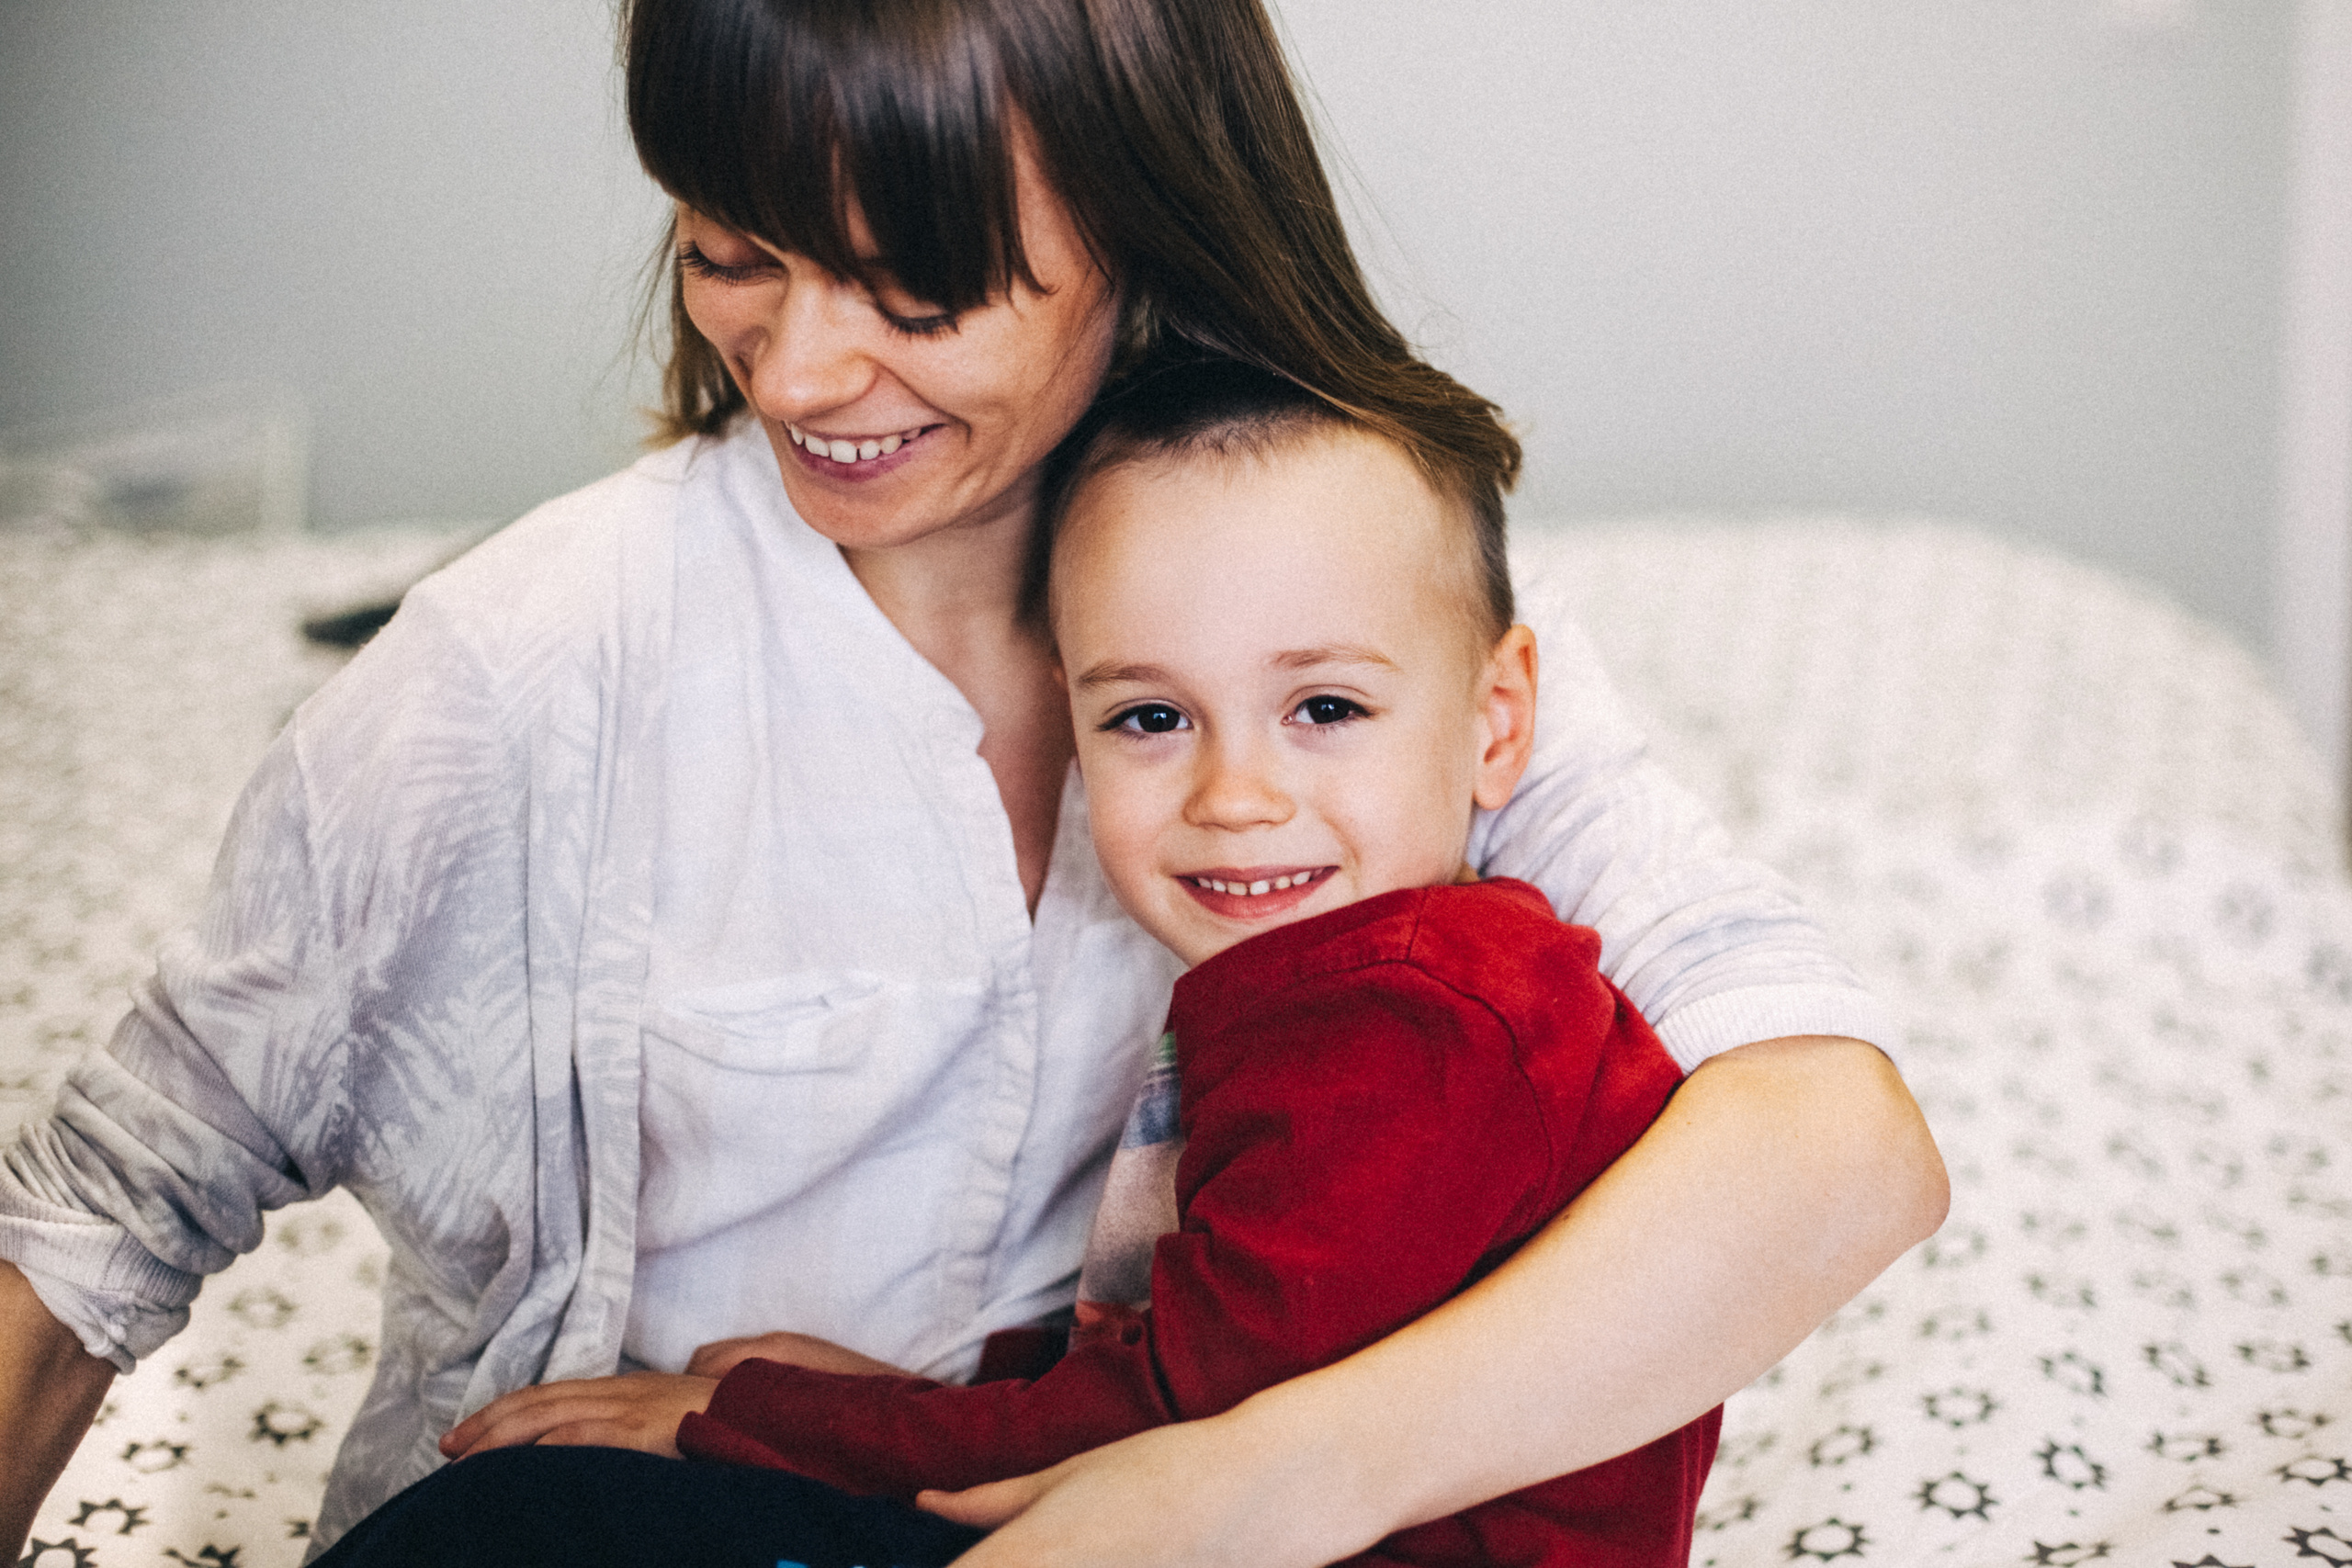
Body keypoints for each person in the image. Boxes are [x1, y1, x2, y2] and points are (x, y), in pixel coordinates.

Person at [0, 1, 1948, 1562]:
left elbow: (1830, 1142)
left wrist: (1251, 1482)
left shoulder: (1352, 645)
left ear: (1136, 211)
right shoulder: (519, 673)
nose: (801, 373)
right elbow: (97, 1220)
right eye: (730, 255)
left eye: (914, 290)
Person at [311, 359, 1721, 1568]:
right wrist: (911, 1393)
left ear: (1497, 720)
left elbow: (1167, 1438)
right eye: (1152, 717)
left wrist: (763, 1427)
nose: (1236, 792)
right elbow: (1211, 1359)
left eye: (1327, 706)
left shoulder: (1414, 1026)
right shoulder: (1368, 984)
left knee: (517, 1529)